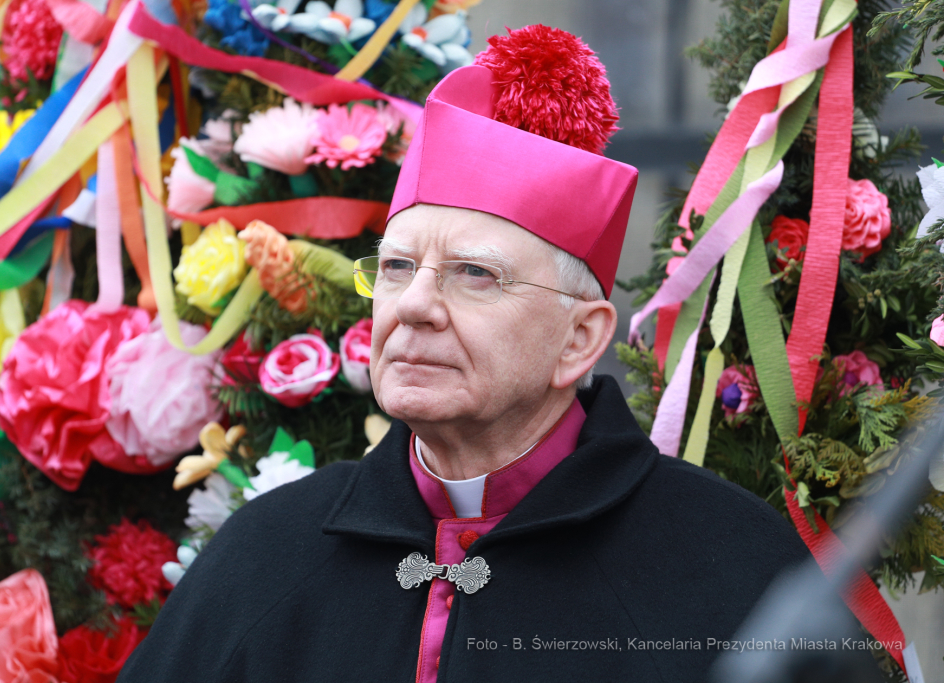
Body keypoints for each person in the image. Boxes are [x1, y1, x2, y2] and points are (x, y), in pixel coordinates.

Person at [117, 25, 867, 683]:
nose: (414, 304)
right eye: (397, 267)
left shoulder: (731, 566)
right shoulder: (266, 552)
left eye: (474, 274)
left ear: (580, 338)